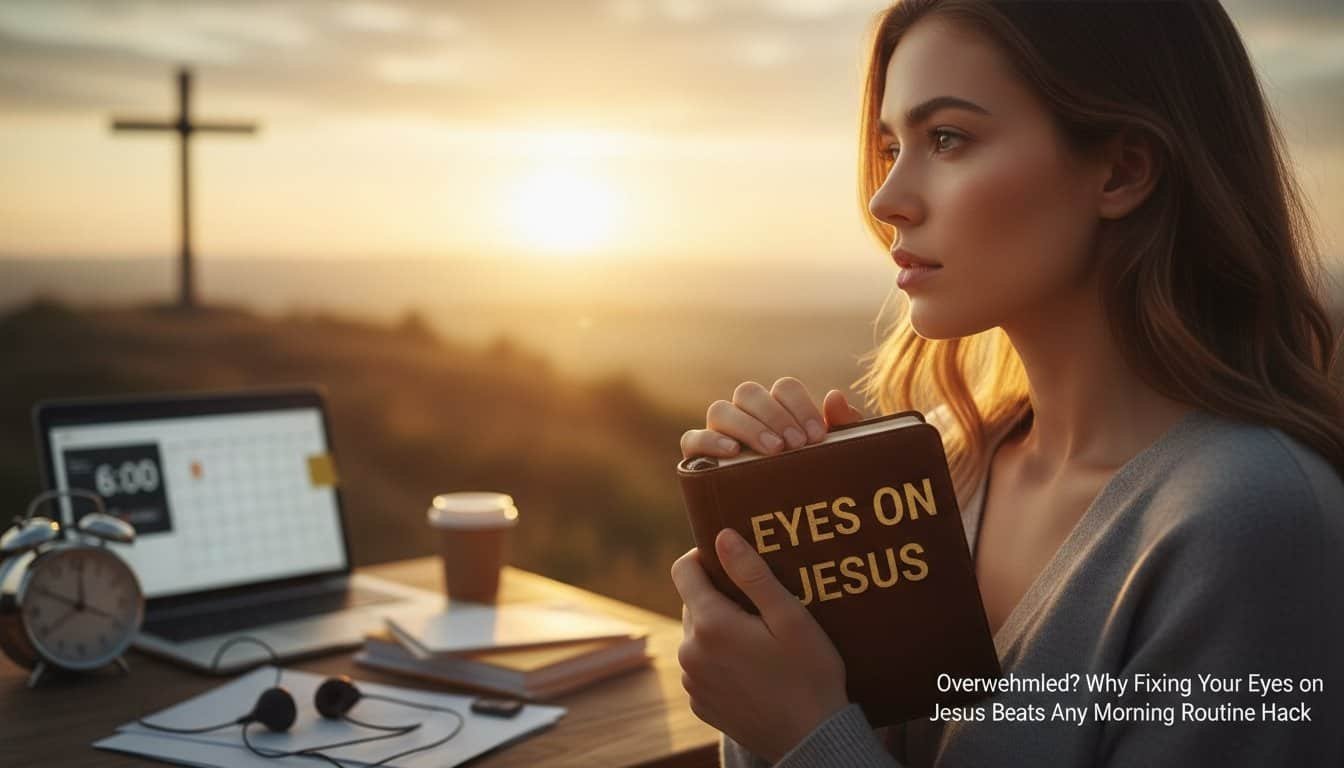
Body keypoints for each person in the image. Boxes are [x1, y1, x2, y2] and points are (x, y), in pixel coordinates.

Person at [669, 1, 1344, 766]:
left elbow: (818, 741)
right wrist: (781, 595)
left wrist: (805, 737)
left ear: (1122, 170)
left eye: (947, 138)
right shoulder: (947, 474)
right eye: (891, 145)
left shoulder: (1252, 523)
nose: (886, 198)